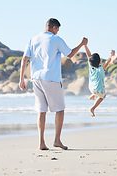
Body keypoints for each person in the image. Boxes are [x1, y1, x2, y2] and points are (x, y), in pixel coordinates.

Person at [19, 18, 88, 150]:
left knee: (41, 111)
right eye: (57, 29)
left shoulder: (33, 39)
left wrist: (21, 79)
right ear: (54, 28)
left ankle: (41, 143)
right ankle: (57, 140)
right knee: (60, 109)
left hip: (36, 78)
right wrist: (82, 43)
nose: (57, 32)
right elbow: (70, 54)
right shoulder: (55, 39)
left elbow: (24, 59)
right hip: (50, 78)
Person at [84, 43, 115, 117]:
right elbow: (107, 63)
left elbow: (88, 55)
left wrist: (85, 45)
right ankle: (92, 108)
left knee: (97, 90)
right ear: (100, 62)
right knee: (102, 97)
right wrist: (111, 56)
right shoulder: (100, 70)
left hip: (91, 88)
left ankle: (93, 95)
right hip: (97, 90)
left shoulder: (91, 67)